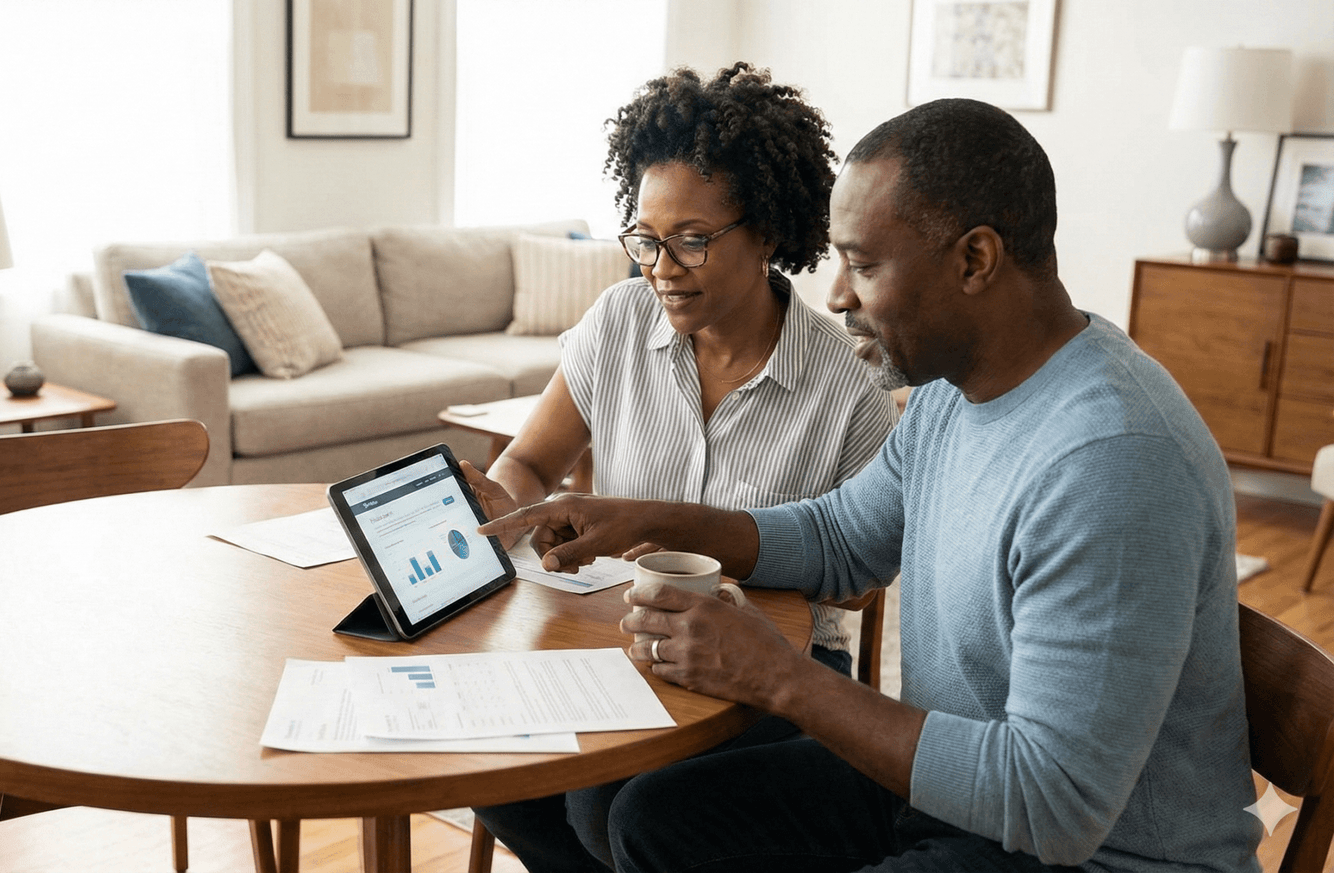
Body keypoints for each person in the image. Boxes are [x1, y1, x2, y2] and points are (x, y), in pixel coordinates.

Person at [482, 97, 1261, 872]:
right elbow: (838, 540)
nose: (837, 295)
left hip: (1082, 852)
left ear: (974, 260)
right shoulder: (956, 392)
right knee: (655, 819)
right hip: (955, 794)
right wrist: (647, 519)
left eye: (864, 263)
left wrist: (776, 673)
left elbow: (1051, 804)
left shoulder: (1111, 460)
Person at [463, 63, 900, 872]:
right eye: (645, 238)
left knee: (608, 803)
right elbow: (531, 458)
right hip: (609, 639)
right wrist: (506, 499)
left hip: (772, 660)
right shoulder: (618, 323)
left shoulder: (846, 386)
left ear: (767, 230)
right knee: (493, 764)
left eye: (692, 239)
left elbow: (860, 580)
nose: (660, 265)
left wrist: (734, 563)